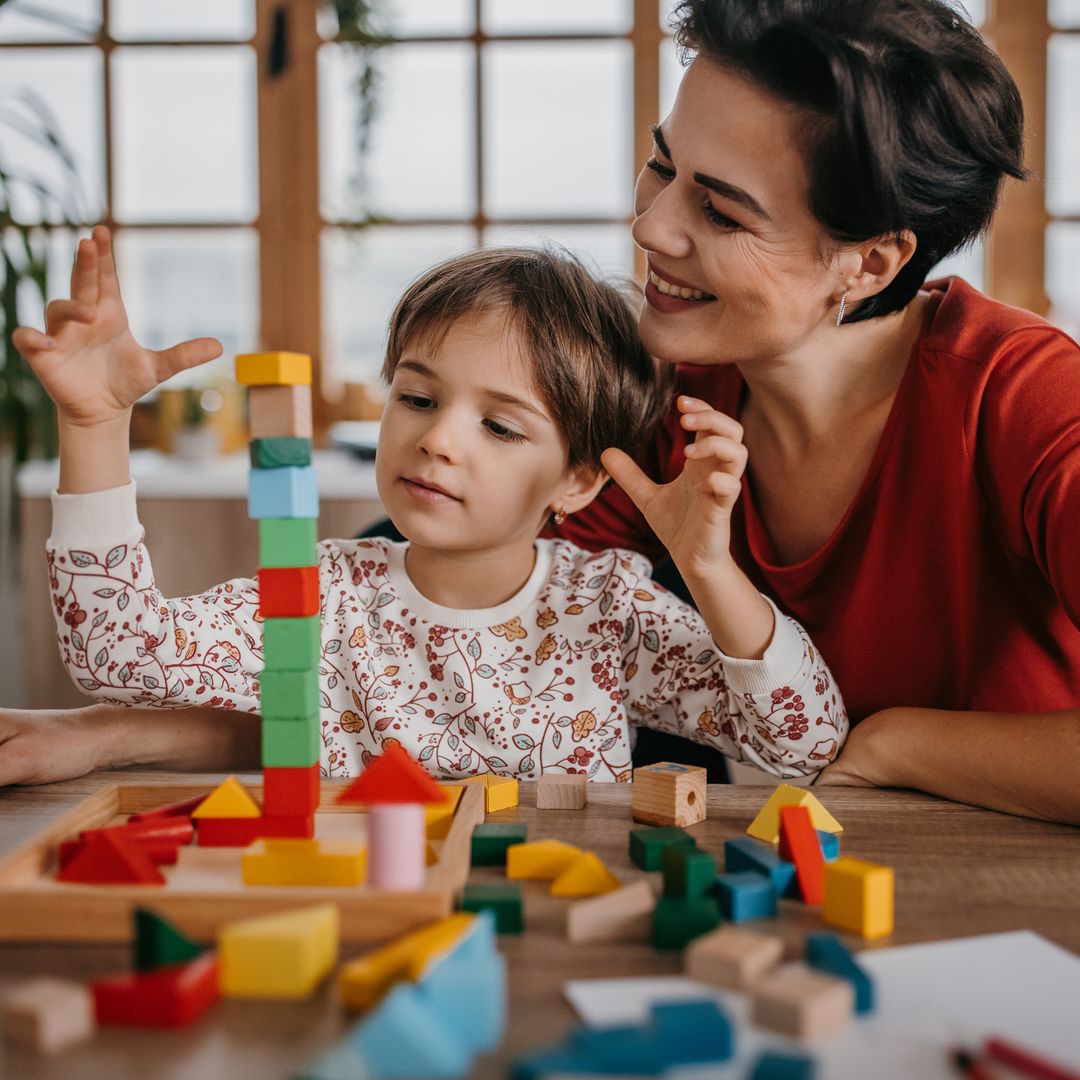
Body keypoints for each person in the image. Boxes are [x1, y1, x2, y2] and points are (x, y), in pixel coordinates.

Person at [4, 228, 847, 784]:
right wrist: (95, 425)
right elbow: (118, 656)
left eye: (500, 426)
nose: (439, 440)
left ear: (579, 483)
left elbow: (804, 743)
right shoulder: (328, 596)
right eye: (416, 398)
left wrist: (709, 569)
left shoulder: (605, 609)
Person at [551, 0, 1080, 823]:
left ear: (870, 263)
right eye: (662, 167)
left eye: (722, 212)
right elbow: (481, 586)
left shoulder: (1026, 399)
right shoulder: (672, 400)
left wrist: (897, 744)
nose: (650, 225)